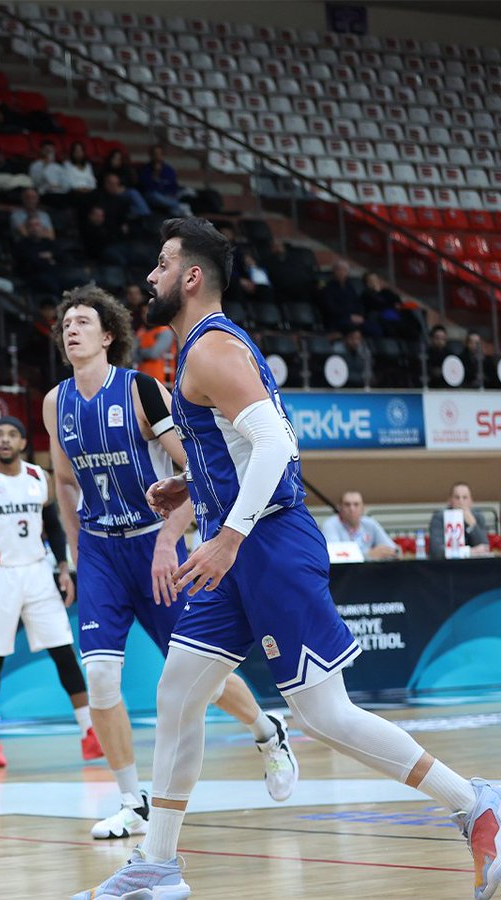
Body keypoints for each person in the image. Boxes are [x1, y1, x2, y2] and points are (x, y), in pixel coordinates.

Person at [78, 217, 501, 899]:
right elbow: (250, 446)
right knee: (178, 691)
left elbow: (277, 447)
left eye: (161, 265)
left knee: (322, 714)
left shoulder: (212, 351)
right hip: (236, 544)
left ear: (191, 277)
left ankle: (475, 799)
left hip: (266, 542)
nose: (149, 277)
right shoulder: (201, 352)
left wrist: (231, 533)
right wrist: (194, 487)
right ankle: (157, 865)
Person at [44, 284, 296, 845]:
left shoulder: (139, 390)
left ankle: (266, 729)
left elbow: (196, 471)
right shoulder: (53, 402)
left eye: (83, 321)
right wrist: (73, 550)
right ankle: (131, 801)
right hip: (101, 552)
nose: (72, 330)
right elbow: (63, 481)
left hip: (154, 546)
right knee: (102, 677)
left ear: (108, 335)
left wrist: (167, 543)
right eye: (66, 323)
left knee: (200, 676)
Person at [0, 417, 102, 768]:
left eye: (12, 434)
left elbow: (54, 528)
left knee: (63, 651)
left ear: (21, 443)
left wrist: (64, 569)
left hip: (37, 571)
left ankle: (89, 733)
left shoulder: (39, 478)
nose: (4, 440)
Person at [321, 490, 399, 560]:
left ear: (363, 508)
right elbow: (335, 556)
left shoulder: (369, 523)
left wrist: (391, 551)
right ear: (340, 507)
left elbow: (393, 550)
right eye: (347, 505)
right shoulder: (330, 525)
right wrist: (368, 555)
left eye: (356, 504)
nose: (352, 509)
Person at [429, 482, 492, 560]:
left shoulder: (477, 517)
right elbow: (437, 551)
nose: (461, 501)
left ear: (471, 501)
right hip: (446, 565)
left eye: (464, 497)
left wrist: (472, 525)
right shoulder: (439, 517)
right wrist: (468, 552)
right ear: (450, 501)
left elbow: (485, 548)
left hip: (472, 566)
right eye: (457, 497)